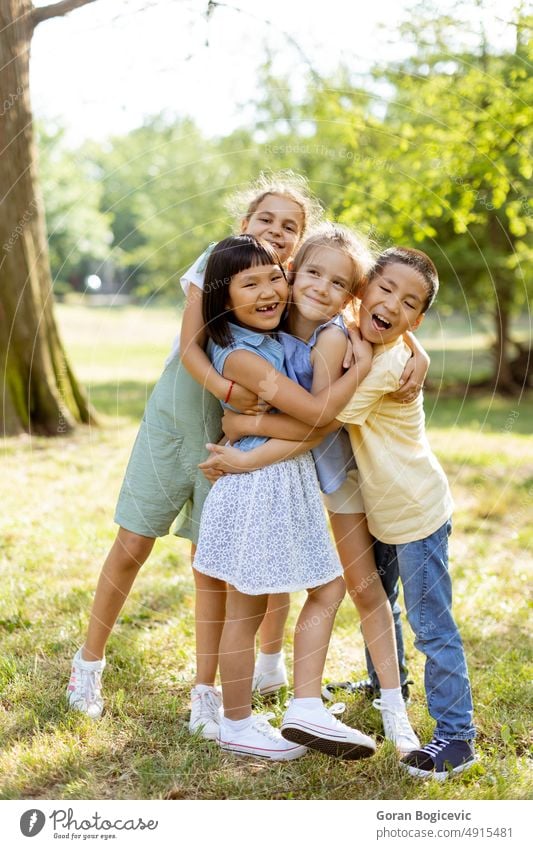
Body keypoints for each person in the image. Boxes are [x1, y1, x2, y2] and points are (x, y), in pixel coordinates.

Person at [66, 173, 323, 733]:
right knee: (134, 541)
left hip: (236, 443)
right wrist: (232, 392)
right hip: (179, 423)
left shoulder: (292, 287)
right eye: (265, 219)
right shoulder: (219, 262)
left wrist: (413, 349)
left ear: (299, 244)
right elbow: (190, 347)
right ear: (242, 225)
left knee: (211, 565)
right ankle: (88, 663)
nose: (276, 232)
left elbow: (343, 315)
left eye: (290, 227)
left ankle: (206, 690)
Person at [201, 225, 423, 755]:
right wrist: (239, 435)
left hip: (326, 471)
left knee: (358, 586)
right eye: (313, 273)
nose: (322, 288)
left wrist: (244, 440)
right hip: (283, 481)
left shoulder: (335, 336)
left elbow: (320, 424)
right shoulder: (266, 322)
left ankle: (391, 707)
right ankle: (268, 693)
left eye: (338, 283)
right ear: (292, 271)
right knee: (264, 590)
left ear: (350, 294)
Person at [332, 247, 476, 779]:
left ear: (416, 321)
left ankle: (458, 736)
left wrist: (362, 347)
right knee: (380, 602)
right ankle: (383, 684)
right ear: (363, 290)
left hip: (415, 512)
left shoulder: (386, 363)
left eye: (408, 304)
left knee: (431, 626)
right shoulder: (384, 341)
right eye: (385, 289)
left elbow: (332, 414)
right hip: (380, 508)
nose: (392, 304)